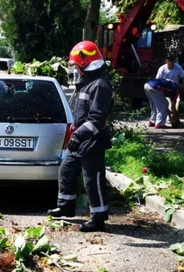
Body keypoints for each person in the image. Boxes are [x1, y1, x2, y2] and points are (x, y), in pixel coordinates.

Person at [48, 41, 113, 232]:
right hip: (81, 138)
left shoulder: (100, 85)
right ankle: (66, 206)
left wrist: (80, 134)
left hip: (93, 140)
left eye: (76, 65)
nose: (75, 69)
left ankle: (98, 218)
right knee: (66, 170)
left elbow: (97, 119)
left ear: (85, 63)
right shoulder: (87, 84)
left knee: (92, 179)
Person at [156, 55, 184, 127]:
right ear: (167, 62)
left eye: (173, 63)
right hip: (165, 89)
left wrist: (183, 85)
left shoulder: (178, 67)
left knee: (176, 104)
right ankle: (171, 120)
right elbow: (157, 81)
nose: (171, 65)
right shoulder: (162, 69)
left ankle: (176, 119)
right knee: (168, 105)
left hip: (175, 88)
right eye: (170, 63)